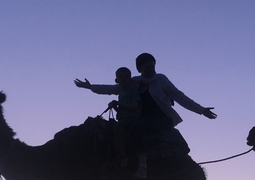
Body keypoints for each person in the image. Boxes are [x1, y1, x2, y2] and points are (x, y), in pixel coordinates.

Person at [75, 51, 216, 140]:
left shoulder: (161, 80)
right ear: (139, 69)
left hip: (160, 118)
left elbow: (179, 96)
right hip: (138, 117)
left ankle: (143, 163)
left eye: (152, 66)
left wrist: (201, 110)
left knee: (138, 130)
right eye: (146, 67)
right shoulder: (134, 82)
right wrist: (90, 87)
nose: (150, 69)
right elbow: (113, 89)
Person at [104, 66, 147, 178]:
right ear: (116, 80)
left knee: (119, 129)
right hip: (123, 119)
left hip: (133, 119)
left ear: (130, 79)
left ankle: (124, 157)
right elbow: (122, 111)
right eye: (121, 77)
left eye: (126, 77)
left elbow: (135, 106)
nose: (123, 79)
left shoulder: (133, 92)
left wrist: (119, 104)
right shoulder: (121, 94)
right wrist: (115, 106)